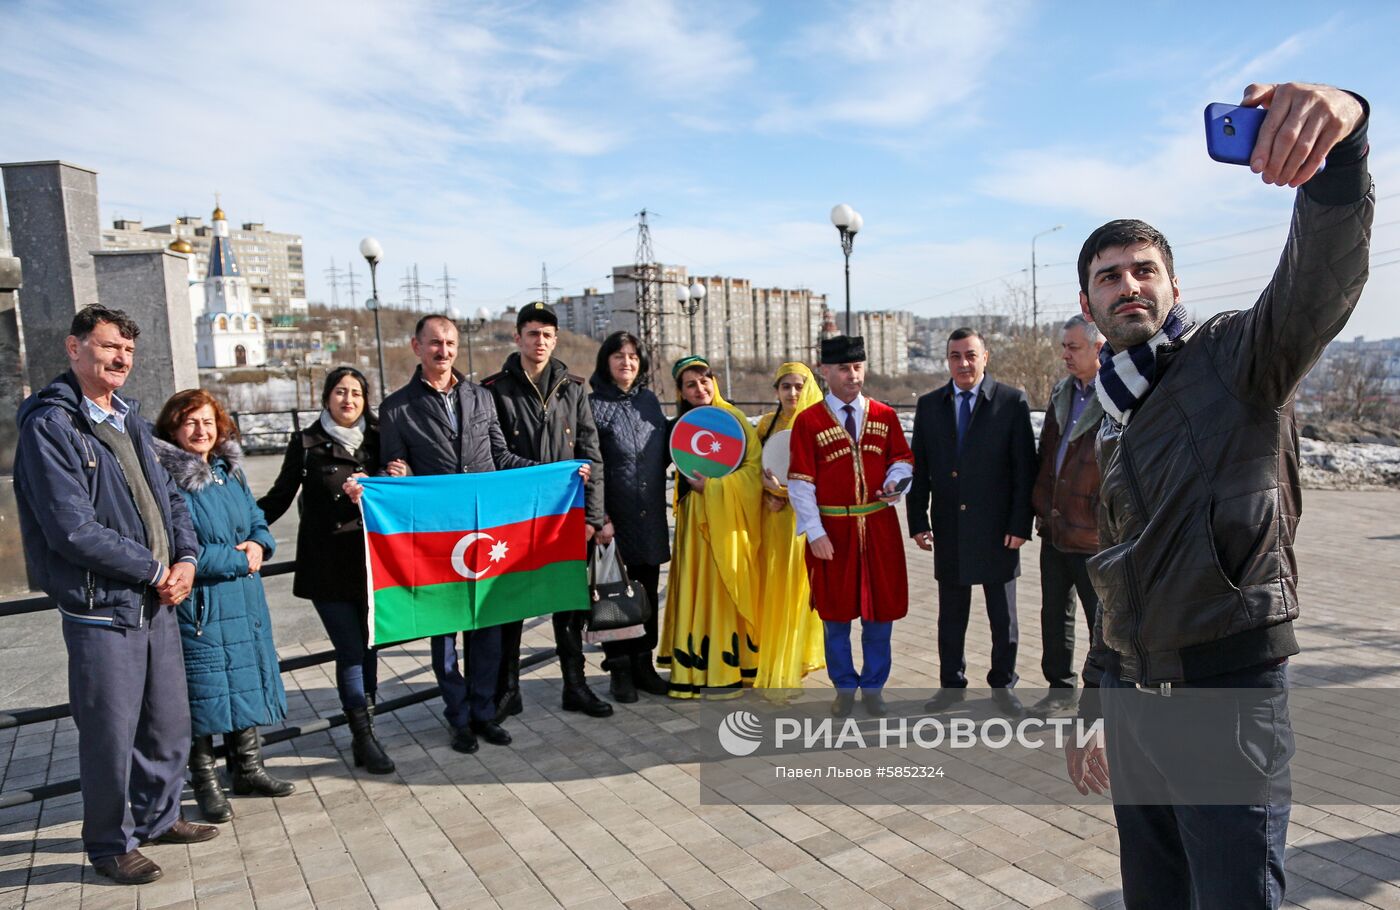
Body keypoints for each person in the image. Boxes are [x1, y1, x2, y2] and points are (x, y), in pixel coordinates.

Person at [1066, 83, 1372, 909]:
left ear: (1171, 283)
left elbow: (1319, 285)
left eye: (1144, 270)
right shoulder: (1113, 410)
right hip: (1137, 698)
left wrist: (1341, 149)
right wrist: (1097, 700)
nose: (1128, 284)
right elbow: (1115, 563)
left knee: (1234, 895)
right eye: (1109, 276)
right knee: (1155, 895)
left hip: (1223, 693)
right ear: (1087, 305)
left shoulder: (1235, 360)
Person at [14, 305, 216, 885]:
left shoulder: (127, 418)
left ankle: (159, 816)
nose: (120, 358)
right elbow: (70, 528)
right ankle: (109, 843)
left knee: (167, 723)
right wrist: (156, 571)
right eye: (108, 347)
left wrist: (185, 558)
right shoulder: (51, 425)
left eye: (127, 350)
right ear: (74, 349)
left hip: (156, 600)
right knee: (109, 734)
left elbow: (171, 500)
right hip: (104, 608)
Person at [367, 314, 537, 755]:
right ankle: (457, 716)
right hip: (437, 538)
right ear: (416, 346)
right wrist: (394, 472)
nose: (443, 351)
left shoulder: (481, 398)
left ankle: (483, 712)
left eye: (450, 343)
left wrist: (548, 474)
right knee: (444, 636)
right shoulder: (397, 407)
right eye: (435, 343)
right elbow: (394, 468)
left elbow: (499, 455)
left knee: (488, 631)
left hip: (483, 535)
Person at [153, 390, 294, 824]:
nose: (201, 430)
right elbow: (179, 548)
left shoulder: (227, 471)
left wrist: (259, 544)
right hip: (202, 604)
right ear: (173, 428)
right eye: (191, 422)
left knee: (244, 680)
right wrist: (240, 558)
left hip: (242, 598)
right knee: (204, 693)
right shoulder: (167, 477)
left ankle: (248, 769)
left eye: (208, 422)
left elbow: (256, 518)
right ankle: (206, 781)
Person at [259, 366, 400, 775]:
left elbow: (404, 491)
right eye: (340, 392)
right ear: (326, 397)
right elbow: (279, 497)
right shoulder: (306, 443)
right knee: (352, 649)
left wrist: (391, 479)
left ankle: (366, 729)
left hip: (374, 565)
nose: (348, 400)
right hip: (327, 565)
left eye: (356, 393)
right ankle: (363, 735)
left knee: (370, 646)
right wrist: (241, 527)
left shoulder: (378, 439)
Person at [483, 302, 611, 719]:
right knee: (511, 609)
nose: (540, 341)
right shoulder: (495, 390)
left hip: (565, 519)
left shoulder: (573, 389)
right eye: (532, 333)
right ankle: (508, 691)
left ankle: (575, 686)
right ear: (518, 337)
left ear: (556, 340)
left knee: (569, 608)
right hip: (516, 520)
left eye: (547, 335)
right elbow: (496, 457)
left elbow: (592, 456)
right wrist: (551, 474)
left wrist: (593, 519)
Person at [908, 328, 1036, 718]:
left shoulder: (1011, 402)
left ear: (986, 357)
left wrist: (1020, 524)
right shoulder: (931, 405)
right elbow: (921, 469)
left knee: (1004, 618)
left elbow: (1024, 470)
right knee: (951, 615)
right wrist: (918, 521)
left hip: (999, 531)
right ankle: (951, 685)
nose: (963, 364)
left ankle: (1003, 686)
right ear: (947, 360)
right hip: (950, 529)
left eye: (970, 355)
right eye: (955, 357)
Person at [788, 336, 913, 717]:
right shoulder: (808, 422)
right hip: (834, 531)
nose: (853, 375)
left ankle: (874, 687)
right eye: (844, 368)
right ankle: (844, 687)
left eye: (858, 367)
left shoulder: (884, 415)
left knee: (881, 614)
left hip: (879, 527)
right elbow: (799, 483)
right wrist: (815, 532)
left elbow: (902, 457)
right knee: (835, 617)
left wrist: (896, 480)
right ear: (825, 371)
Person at [657, 355, 763, 697]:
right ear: (681, 391)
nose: (700, 388)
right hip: (693, 523)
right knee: (696, 586)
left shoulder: (735, 420)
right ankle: (694, 668)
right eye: (691, 384)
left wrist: (715, 488)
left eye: (705, 380)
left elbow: (754, 471)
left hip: (727, 521)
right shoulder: (678, 426)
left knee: (725, 587)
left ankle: (732, 667)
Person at [587, 331, 671, 701]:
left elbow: (668, 452)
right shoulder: (591, 404)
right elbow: (590, 462)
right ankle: (619, 671)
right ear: (606, 362)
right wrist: (599, 516)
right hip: (613, 521)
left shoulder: (649, 402)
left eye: (634, 356)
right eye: (619, 355)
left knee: (646, 593)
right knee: (613, 597)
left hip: (649, 517)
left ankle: (644, 666)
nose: (627, 362)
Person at [1028, 315, 1105, 716]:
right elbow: (1046, 458)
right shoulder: (1062, 393)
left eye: (1073, 347)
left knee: (1102, 623)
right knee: (1054, 616)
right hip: (1055, 528)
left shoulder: (1116, 395)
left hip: (1094, 535)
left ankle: (1101, 698)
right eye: (1063, 347)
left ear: (1098, 348)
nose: (1065, 355)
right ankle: (1059, 689)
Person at [753, 362, 826, 694]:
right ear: (777, 390)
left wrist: (786, 493)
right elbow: (752, 468)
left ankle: (792, 663)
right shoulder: (766, 425)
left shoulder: (819, 425)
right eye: (786, 386)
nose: (792, 393)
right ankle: (769, 659)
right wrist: (767, 492)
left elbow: (826, 478)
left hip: (802, 525)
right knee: (772, 592)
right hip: (772, 521)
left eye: (799, 386)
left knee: (798, 594)